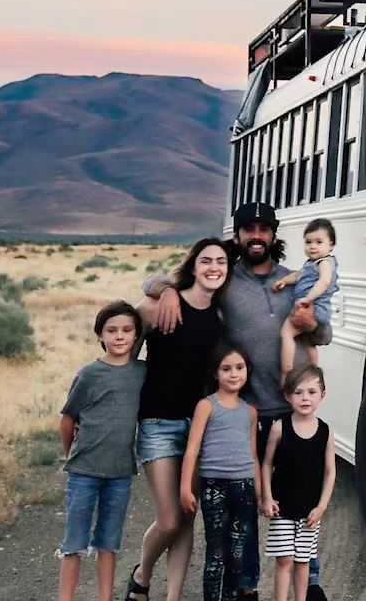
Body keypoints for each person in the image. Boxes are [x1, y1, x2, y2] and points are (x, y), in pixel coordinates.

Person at [145, 202, 324, 586]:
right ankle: (245, 586)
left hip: (292, 410)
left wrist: (315, 324)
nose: (256, 236)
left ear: (274, 235)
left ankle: (308, 585)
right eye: (248, 229)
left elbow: (321, 332)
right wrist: (166, 292)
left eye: (264, 229)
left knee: (299, 500)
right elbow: (170, 280)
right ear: (238, 235)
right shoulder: (225, 279)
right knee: (243, 508)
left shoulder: (296, 278)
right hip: (245, 413)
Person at [125, 238, 230, 601]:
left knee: (187, 515)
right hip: (157, 423)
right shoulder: (155, 306)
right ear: (193, 266)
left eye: (221, 262)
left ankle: (172, 597)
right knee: (168, 518)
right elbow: (124, 362)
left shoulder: (218, 318)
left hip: (198, 428)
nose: (214, 267)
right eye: (206, 260)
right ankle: (141, 575)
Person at [58, 302, 147, 601]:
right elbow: (68, 420)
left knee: (109, 543)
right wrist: (71, 453)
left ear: (136, 336)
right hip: (84, 470)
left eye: (126, 330)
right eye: (112, 330)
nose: (119, 336)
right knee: (74, 542)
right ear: (100, 335)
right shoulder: (89, 374)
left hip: (120, 472)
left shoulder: (142, 372)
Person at [180, 345, 261, 601]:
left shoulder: (250, 412)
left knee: (238, 553)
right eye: (226, 368)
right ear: (215, 373)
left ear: (247, 371)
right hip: (215, 486)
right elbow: (192, 450)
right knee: (216, 553)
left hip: (244, 486)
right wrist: (185, 488)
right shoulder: (206, 406)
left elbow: (254, 455)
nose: (233, 374)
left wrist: (260, 492)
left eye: (239, 368)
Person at [261, 364, 335, 601]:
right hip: (282, 507)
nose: (305, 398)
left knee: (303, 560)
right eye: (299, 392)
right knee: (284, 559)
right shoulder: (280, 427)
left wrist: (322, 506)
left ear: (322, 395)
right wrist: (267, 496)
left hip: (310, 510)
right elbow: (266, 463)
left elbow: (330, 472)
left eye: (312, 392)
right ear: (287, 396)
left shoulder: (325, 431)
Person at [271, 218, 338, 384]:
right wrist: (284, 281)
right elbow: (297, 275)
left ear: (331, 245)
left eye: (318, 242)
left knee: (287, 333)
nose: (312, 246)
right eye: (308, 242)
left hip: (313, 307)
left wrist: (308, 299)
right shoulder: (310, 264)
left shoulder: (325, 263)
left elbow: (324, 282)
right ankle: (314, 373)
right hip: (315, 310)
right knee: (309, 343)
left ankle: (286, 372)